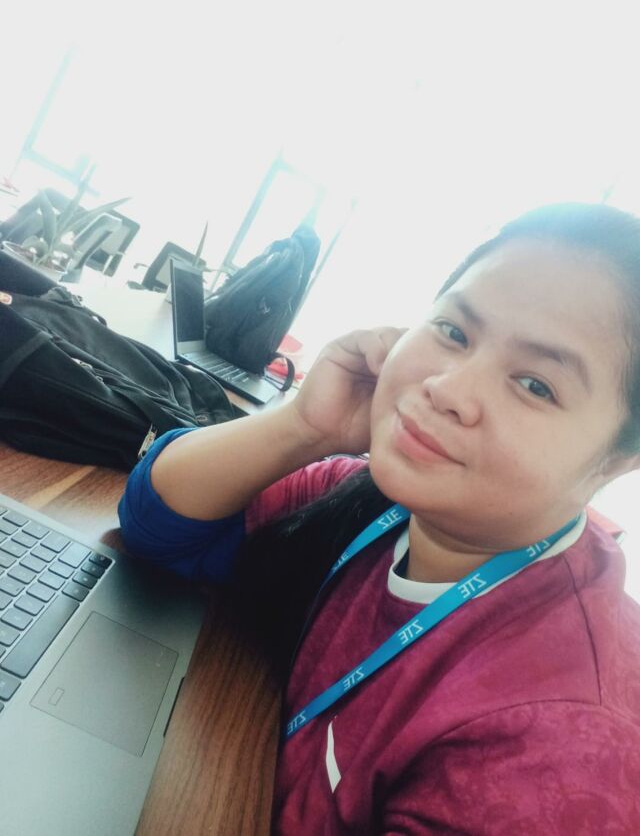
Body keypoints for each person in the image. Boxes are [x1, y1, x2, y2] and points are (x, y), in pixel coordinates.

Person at [119, 201, 640, 834]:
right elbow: (157, 525)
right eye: (454, 331)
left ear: (618, 458)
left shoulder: (561, 748)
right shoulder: (382, 506)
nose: (448, 389)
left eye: (536, 385)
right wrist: (303, 428)